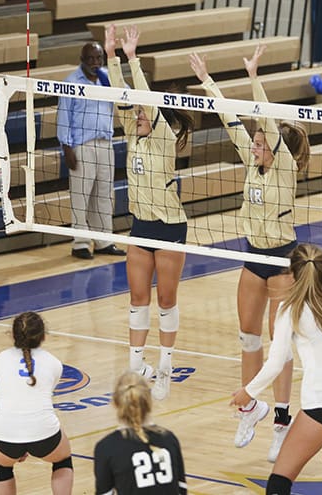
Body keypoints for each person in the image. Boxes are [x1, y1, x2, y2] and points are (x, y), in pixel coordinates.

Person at [189, 46, 311, 461]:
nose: (254, 145)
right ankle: (249, 407)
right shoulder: (252, 160)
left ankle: (281, 419)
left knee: (281, 346)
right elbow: (229, 119)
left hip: (281, 261)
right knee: (247, 337)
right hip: (252, 256)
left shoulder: (285, 168)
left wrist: (255, 76)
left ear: (275, 146)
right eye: (254, 142)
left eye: (260, 142)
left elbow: (264, 118)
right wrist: (208, 80)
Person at [231, 244, 322, 495]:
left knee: (279, 482)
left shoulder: (289, 309)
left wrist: (248, 392)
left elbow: (275, 363)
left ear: (292, 274)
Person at [105, 24, 194, 401]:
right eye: (136, 112)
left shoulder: (163, 136)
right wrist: (110, 57)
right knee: (138, 298)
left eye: (143, 111)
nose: (137, 114)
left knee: (167, 300)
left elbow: (142, 96)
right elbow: (119, 94)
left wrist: (131, 57)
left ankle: (166, 367)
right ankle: (136, 364)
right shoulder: (133, 133)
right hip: (140, 227)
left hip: (170, 227)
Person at [57, 41, 126, 260]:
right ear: (82, 60)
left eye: (99, 59)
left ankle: (104, 240)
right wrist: (66, 147)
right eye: (91, 59)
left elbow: (127, 95)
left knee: (104, 194)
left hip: (106, 144)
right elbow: (63, 117)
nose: (95, 63)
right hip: (81, 146)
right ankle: (80, 243)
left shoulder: (107, 77)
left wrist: (111, 75)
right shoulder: (71, 82)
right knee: (81, 196)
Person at [0, 312, 73, 495]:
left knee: (2, 466)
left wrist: (20, 442)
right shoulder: (54, 363)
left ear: (12, 335)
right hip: (44, 434)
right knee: (63, 460)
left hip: (5, 435)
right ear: (43, 336)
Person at [94, 371, 187, 494]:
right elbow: (181, 490)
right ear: (148, 401)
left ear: (116, 403)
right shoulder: (169, 439)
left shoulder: (106, 447)